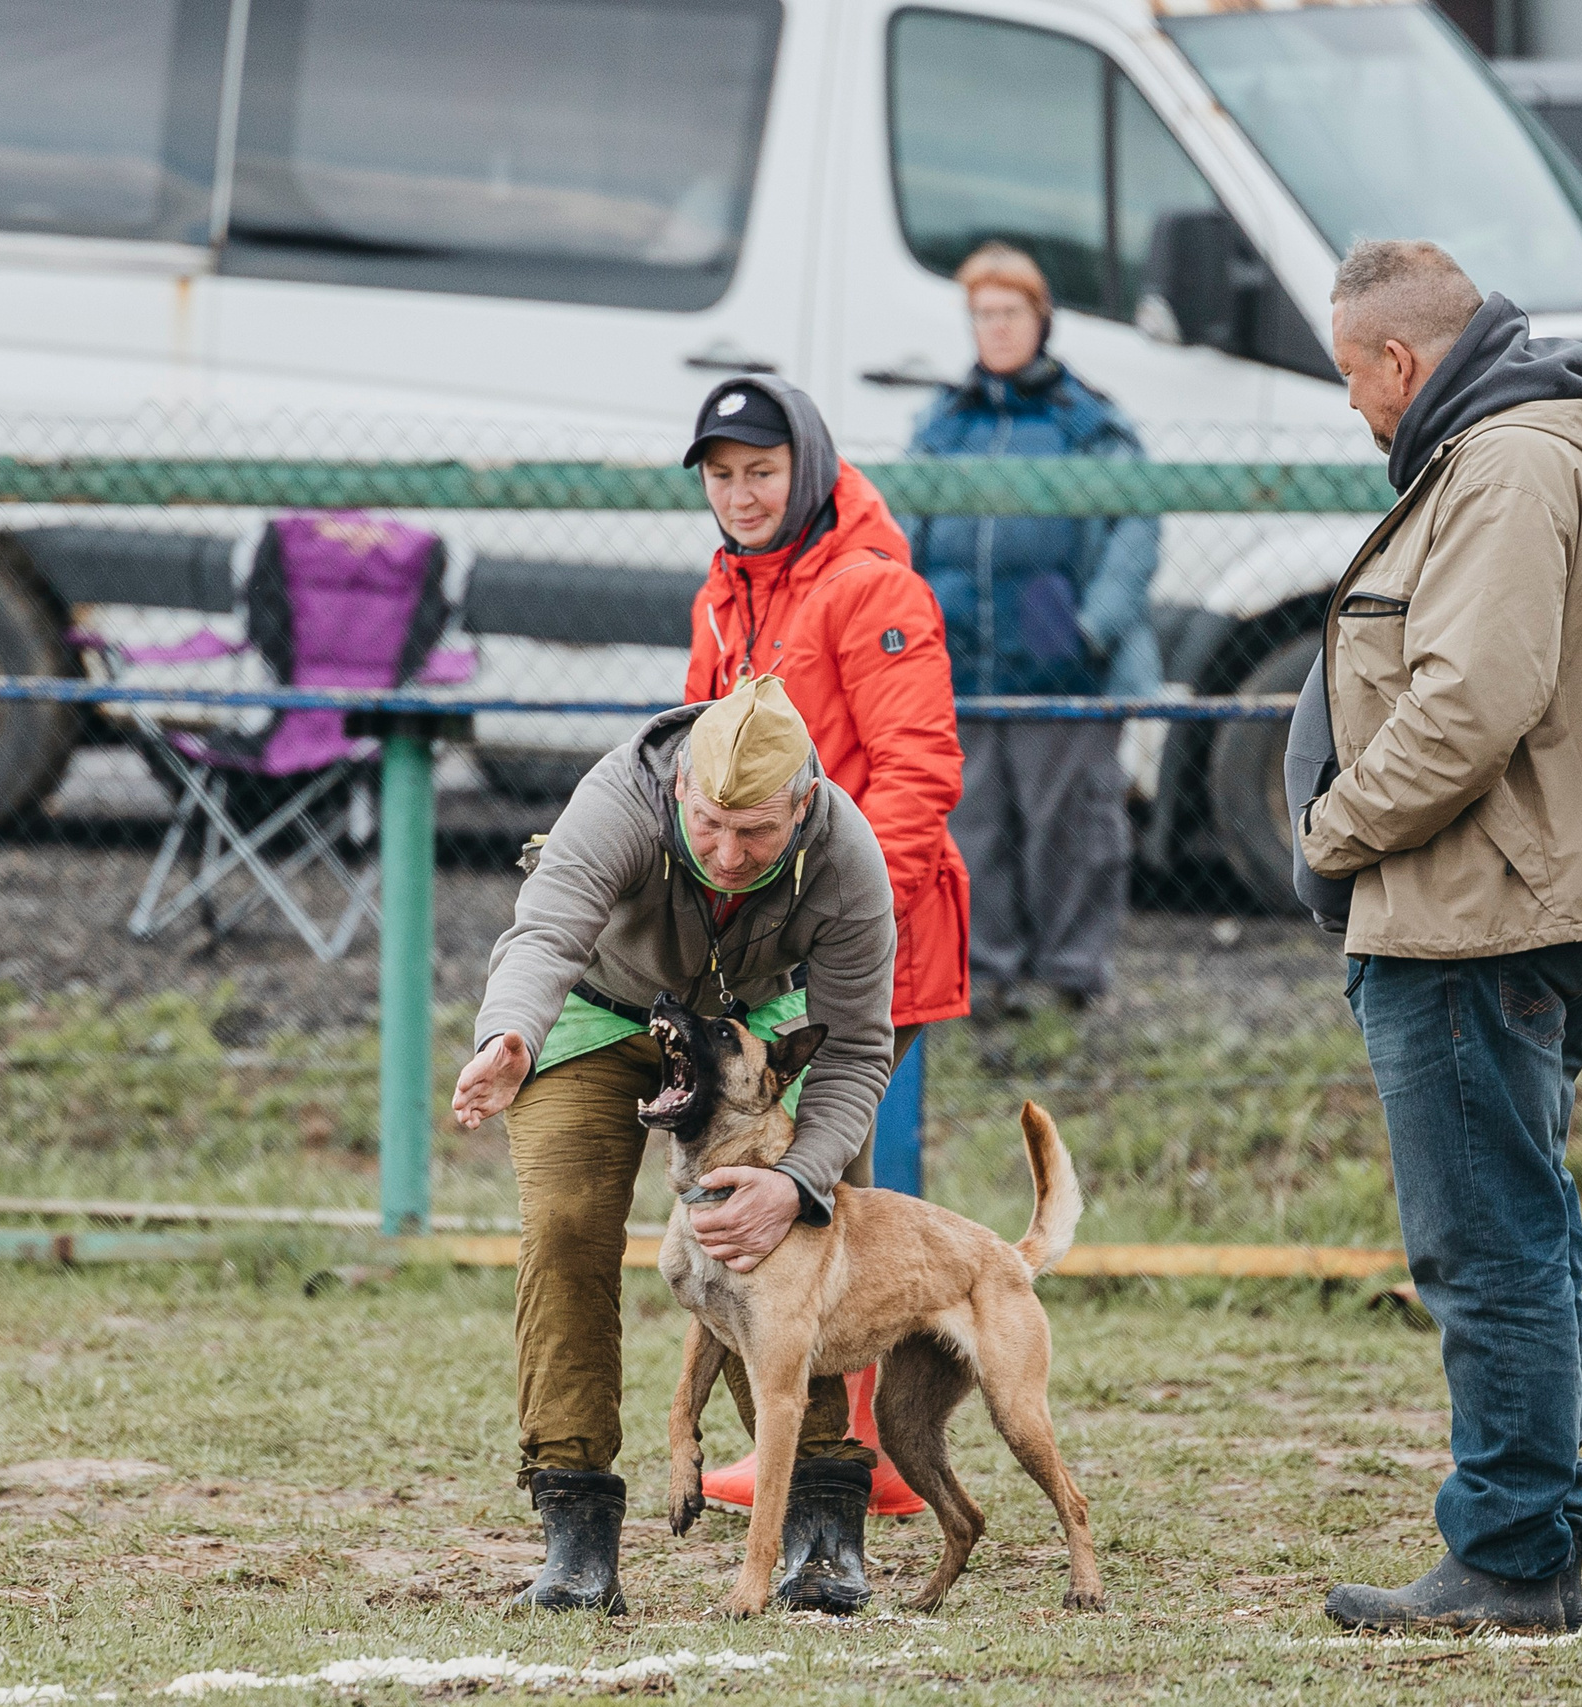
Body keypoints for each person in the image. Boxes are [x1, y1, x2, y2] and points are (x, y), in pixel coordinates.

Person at [1297, 240, 1582, 1634]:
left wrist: (1332, 829)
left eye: (1350, 374)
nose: (1351, 404)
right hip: (1491, 906)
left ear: (1399, 360)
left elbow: (1467, 705)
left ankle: (1514, 1552)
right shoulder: (1516, 454)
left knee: (1487, 1247)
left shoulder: (1504, 468)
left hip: (1473, 917)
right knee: (1518, 1229)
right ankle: (1532, 1533)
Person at [451, 676, 898, 1617]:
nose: (730, 856)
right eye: (710, 827)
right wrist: (510, 1034)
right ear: (682, 787)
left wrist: (799, 1181)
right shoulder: (621, 796)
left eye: (757, 833)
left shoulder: (846, 853)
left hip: (740, 1042)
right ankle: (576, 1532)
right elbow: (547, 931)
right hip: (593, 1014)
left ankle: (822, 1524)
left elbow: (858, 1047)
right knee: (568, 1225)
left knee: (785, 1240)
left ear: (803, 805)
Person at [680, 375, 967, 1522]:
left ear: (806, 467)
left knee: (832, 1198)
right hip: (765, 956)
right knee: (809, 1199)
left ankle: (855, 1457)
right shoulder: (721, 594)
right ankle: (843, 1447)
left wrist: (832, 921)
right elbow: (695, 766)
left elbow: (916, 771)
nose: (741, 494)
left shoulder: (872, 587)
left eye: (762, 471)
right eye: (721, 475)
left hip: (868, 950)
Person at [902, 242, 1160, 1016]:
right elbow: (904, 525)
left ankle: (1072, 979)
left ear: (1040, 318)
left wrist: (1091, 628)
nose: (997, 327)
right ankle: (989, 979)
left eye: (1010, 312)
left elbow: (1136, 526)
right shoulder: (944, 424)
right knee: (972, 825)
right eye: (983, 314)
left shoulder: (1087, 421)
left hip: (1060, 659)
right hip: (962, 662)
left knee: (1068, 827)